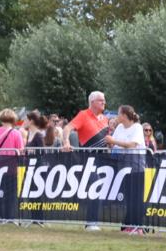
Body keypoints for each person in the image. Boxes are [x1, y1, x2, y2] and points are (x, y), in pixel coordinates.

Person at [62, 91, 109, 231]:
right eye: (101, 100)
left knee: (100, 187)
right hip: (89, 158)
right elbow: (68, 127)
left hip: (103, 158)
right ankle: (91, 222)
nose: (104, 102)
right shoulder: (83, 115)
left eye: (104, 100)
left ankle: (95, 221)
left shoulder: (105, 119)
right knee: (96, 185)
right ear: (92, 102)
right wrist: (65, 142)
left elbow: (106, 139)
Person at [105, 104, 147, 233]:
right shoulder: (119, 128)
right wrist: (110, 144)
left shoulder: (137, 127)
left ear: (124, 115)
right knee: (128, 196)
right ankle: (128, 224)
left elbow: (132, 145)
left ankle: (137, 225)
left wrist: (114, 141)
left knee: (137, 196)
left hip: (136, 164)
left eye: (118, 114)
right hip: (123, 164)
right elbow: (115, 145)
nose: (117, 116)